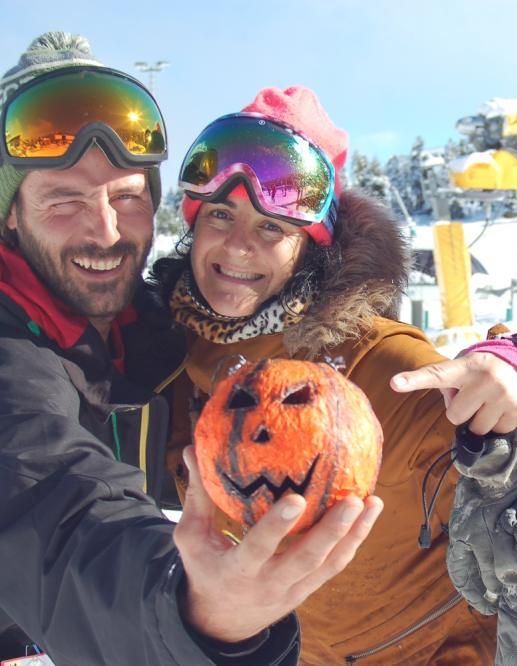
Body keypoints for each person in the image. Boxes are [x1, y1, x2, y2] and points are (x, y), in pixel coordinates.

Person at [151, 84, 517, 664]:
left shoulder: (382, 368)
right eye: (221, 214)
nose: (238, 244)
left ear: (312, 248)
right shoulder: (179, 369)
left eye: (273, 228)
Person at [0, 32, 381, 665]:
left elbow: (283, 320)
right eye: (64, 200)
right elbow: (52, 500)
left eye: (127, 197)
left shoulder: (152, 331)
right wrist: (186, 609)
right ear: (11, 215)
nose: (105, 230)